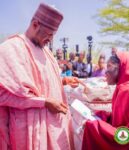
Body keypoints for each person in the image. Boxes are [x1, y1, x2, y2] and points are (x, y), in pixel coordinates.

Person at [0, 3, 74, 150]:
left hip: (54, 126)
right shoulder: (10, 48)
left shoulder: (47, 52)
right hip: (28, 131)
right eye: (49, 34)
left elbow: (45, 81)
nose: (51, 40)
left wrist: (63, 81)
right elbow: (4, 94)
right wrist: (44, 102)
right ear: (35, 24)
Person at [82, 51, 129, 150]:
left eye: (109, 66)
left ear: (121, 67)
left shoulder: (127, 91)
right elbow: (126, 120)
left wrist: (95, 126)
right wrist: (104, 116)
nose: (106, 71)